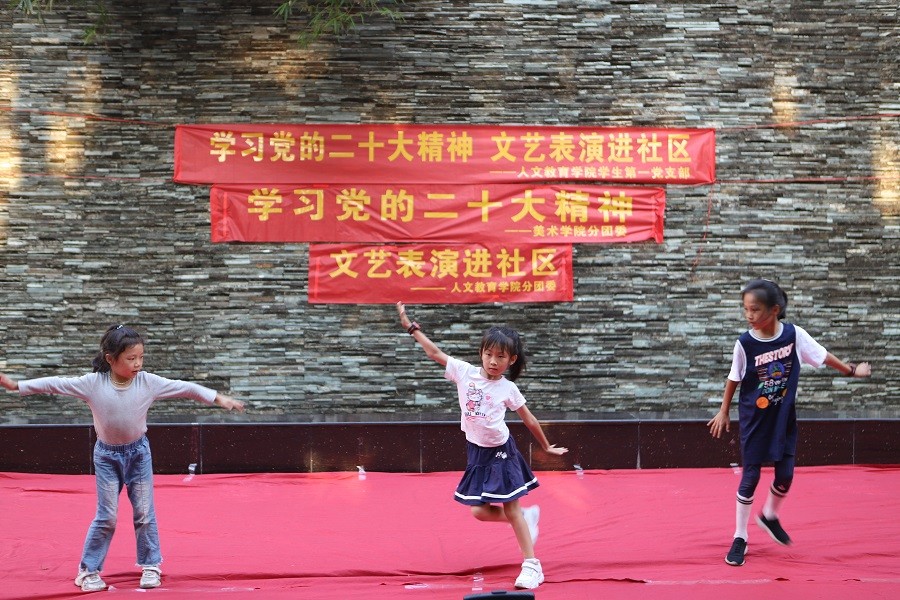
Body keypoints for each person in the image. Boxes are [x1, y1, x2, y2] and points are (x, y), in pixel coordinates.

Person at [0, 324, 245, 592]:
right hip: (106, 457)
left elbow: (183, 387)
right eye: (131, 358)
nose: (138, 363)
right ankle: (88, 570)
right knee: (107, 516)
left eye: (141, 357)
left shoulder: (148, 382)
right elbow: (56, 384)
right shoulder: (92, 384)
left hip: (139, 455)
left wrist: (218, 398)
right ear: (110, 358)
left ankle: (151, 565)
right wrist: (16, 386)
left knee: (144, 513)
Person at [396, 302, 568, 590]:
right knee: (478, 511)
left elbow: (529, 419)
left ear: (511, 360)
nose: (493, 361)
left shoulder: (508, 388)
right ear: (481, 353)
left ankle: (532, 566)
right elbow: (434, 353)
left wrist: (547, 446)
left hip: (502, 452)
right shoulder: (464, 372)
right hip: (477, 452)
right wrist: (411, 327)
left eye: (500, 356)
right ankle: (525, 517)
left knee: (511, 507)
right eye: (488, 354)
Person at [707, 279, 871, 567]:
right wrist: (724, 411)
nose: (749, 315)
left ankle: (770, 515)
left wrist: (850, 370)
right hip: (754, 420)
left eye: (755, 309)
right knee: (751, 476)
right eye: (745, 309)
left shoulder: (795, 336)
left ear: (774, 310)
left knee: (785, 475)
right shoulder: (745, 343)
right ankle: (740, 536)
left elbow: (822, 356)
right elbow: (734, 376)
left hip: (783, 418)